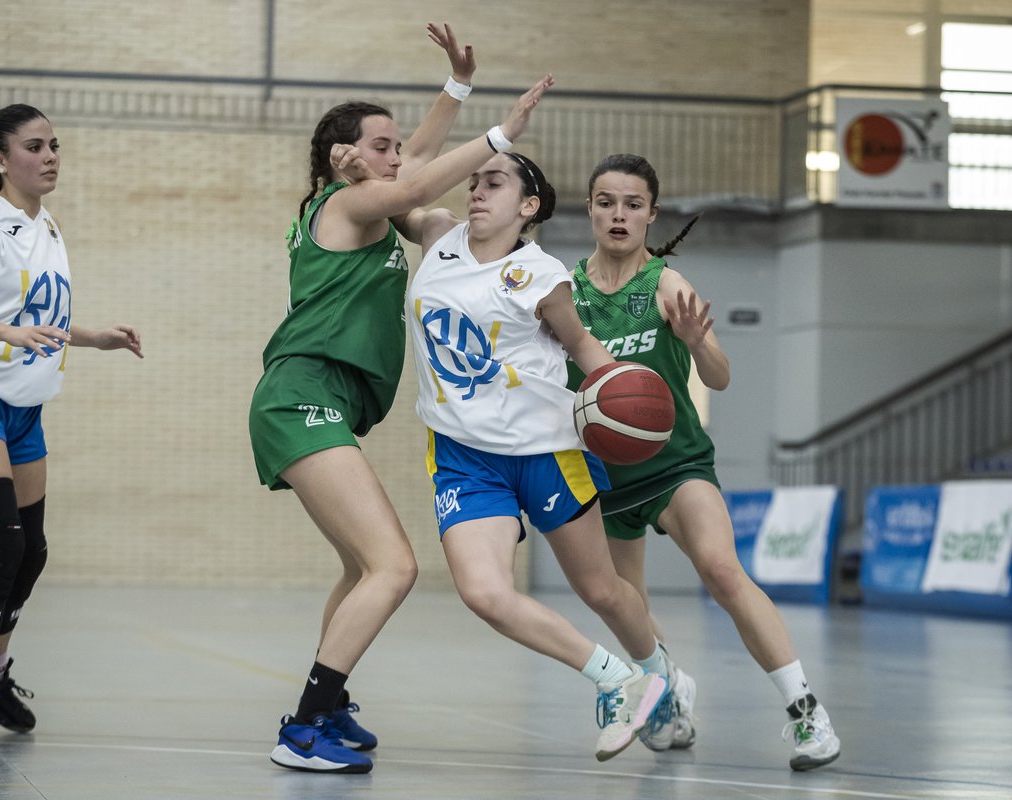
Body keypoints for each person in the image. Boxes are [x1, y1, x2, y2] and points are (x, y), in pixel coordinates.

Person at [247, 21, 555, 773]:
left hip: (318, 399)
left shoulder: (364, 198)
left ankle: (332, 701)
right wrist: (500, 131)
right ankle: (306, 725)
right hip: (301, 397)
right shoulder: (346, 206)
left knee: (360, 569)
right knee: (395, 566)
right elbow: (417, 180)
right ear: (341, 158)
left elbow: (413, 165)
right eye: (380, 145)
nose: (396, 153)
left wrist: (455, 84)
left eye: (392, 144)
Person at [390, 149, 671, 762]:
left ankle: (659, 670)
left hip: (546, 450)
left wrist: (638, 409)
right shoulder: (439, 235)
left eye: (495, 184)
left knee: (601, 589)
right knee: (484, 593)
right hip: (463, 454)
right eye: (474, 183)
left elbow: (583, 347)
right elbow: (397, 191)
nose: (478, 193)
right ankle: (614, 679)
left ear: (528, 205)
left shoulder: (541, 274)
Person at [566, 153, 841, 771]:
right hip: (603, 477)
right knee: (626, 606)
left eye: (633, 204)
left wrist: (696, 343)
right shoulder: (566, 291)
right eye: (606, 201)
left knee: (720, 569)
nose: (618, 214)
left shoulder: (666, 284)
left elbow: (719, 376)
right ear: (589, 209)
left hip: (675, 464)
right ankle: (671, 699)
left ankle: (806, 713)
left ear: (651, 215)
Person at [0, 104, 144, 746]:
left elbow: (30, 316)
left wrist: (91, 336)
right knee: (2, 545)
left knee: (33, 549)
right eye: (35, 146)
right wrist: (5, 333)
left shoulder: (46, 225)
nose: (50, 156)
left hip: (24, 405)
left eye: (55, 146)